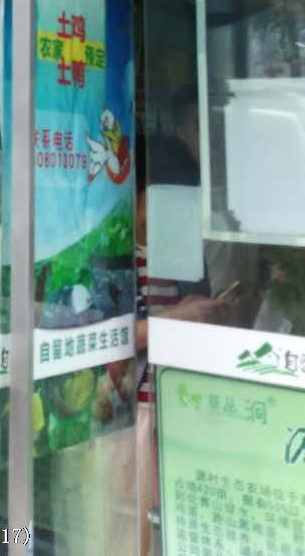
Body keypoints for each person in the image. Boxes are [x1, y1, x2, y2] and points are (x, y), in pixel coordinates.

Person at [135, 132, 231, 554]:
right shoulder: (119, 260)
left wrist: (202, 315)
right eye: (165, 200)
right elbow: (112, 337)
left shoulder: (173, 259)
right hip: (138, 417)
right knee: (139, 521)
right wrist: (175, 319)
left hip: (170, 409)